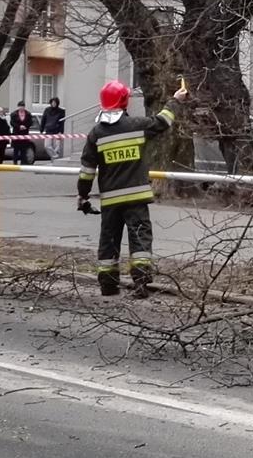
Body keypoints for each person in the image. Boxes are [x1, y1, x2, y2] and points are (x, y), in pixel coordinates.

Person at [77, 79, 186, 298]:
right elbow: (163, 122)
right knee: (140, 240)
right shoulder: (137, 125)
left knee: (108, 242)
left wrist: (83, 196)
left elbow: (87, 170)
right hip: (136, 198)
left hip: (110, 201)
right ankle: (141, 285)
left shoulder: (96, 134)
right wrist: (175, 100)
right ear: (125, 102)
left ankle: (108, 286)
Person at [9, 100, 35, 166]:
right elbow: (12, 123)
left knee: (24, 149)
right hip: (16, 133)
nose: (21, 108)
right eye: (20, 106)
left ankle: (23, 162)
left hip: (25, 133)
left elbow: (31, 122)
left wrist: (26, 126)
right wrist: (19, 126)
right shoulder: (14, 114)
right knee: (16, 149)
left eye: (22, 106)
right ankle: (15, 162)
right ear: (18, 107)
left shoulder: (28, 114)